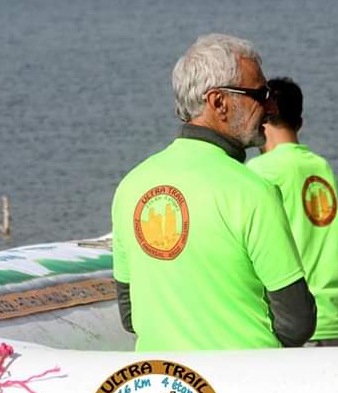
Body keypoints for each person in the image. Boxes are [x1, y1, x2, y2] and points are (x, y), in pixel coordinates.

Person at [111, 33, 316, 350]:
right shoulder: (252, 192)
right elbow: (297, 324)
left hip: (166, 375)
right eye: (261, 94)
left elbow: (130, 316)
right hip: (247, 375)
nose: (271, 106)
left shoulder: (131, 186)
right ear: (218, 102)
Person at [248, 78, 338, 346]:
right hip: (333, 318)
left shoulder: (259, 172)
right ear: (299, 122)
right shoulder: (321, 167)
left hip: (294, 323)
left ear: (261, 120)